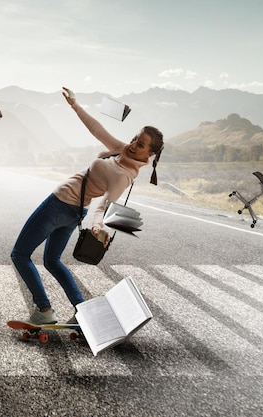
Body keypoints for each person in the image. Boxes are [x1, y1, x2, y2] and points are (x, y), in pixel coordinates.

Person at [10, 86, 164, 324]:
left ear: (150, 154)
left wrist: (98, 225)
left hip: (59, 204)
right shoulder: (121, 151)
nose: (134, 144)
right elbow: (97, 129)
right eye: (135, 138)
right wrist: (74, 104)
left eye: (141, 144)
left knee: (20, 254)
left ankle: (44, 310)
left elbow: (105, 205)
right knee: (52, 261)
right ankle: (82, 311)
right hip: (74, 211)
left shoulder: (124, 174)